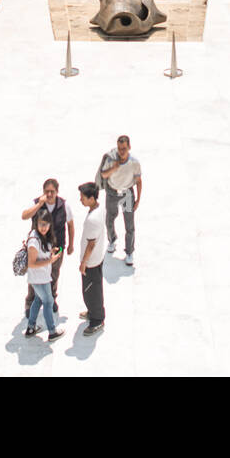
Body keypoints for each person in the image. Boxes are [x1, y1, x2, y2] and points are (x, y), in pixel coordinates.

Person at [22, 179, 73, 316]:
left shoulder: (64, 205)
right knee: (35, 274)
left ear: (57, 192)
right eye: (47, 191)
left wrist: (70, 245)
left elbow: (70, 225)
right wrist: (40, 204)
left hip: (57, 247)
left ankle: (51, 299)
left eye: (52, 191)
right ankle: (30, 302)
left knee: (54, 274)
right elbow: (24, 216)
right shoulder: (36, 203)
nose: (49, 194)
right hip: (38, 247)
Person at [98, 134, 142, 266]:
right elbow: (103, 174)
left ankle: (129, 252)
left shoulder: (134, 162)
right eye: (119, 148)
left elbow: (139, 181)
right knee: (109, 219)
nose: (121, 151)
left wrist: (138, 200)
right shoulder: (111, 159)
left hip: (127, 193)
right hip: (112, 192)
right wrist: (114, 168)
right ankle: (112, 240)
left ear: (129, 147)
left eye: (124, 148)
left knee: (129, 224)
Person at [24, 209, 64, 341]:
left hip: (40, 277)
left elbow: (40, 254)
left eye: (46, 225)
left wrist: (50, 252)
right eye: (41, 224)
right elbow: (31, 263)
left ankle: (31, 327)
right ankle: (52, 331)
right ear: (36, 223)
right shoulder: (34, 241)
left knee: (38, 300)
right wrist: (50, 261)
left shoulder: (40, 237)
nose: (44, 228)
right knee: (48, 301)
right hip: (39, 279)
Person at [76, 181, 106, 335]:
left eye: (83, 197)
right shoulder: (99, 209)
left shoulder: (92, 220)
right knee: (93, 290)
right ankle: (93, 311)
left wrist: (83, 263)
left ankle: (97, 319)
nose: (80, 199)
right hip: (97, 258)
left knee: (90, 292)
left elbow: (91, 244)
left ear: (92, 198)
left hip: (92, 262)